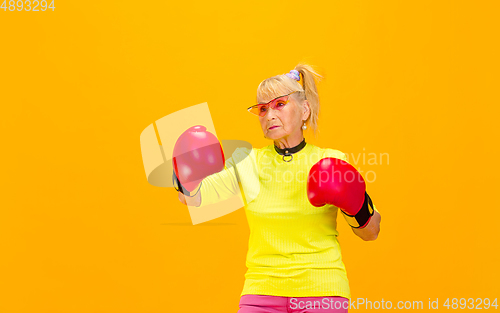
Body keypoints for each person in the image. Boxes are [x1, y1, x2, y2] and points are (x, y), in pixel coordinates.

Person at [178, 64, 381, 313]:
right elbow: (193, 198)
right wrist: (186, 173)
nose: (270, 115)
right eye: (262, 109)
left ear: (305, 109)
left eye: (280, 104)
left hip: (322, 290)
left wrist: (355, 204)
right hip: (261, 291)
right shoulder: (247, 161)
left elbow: (371, 232)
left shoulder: (331, 160)